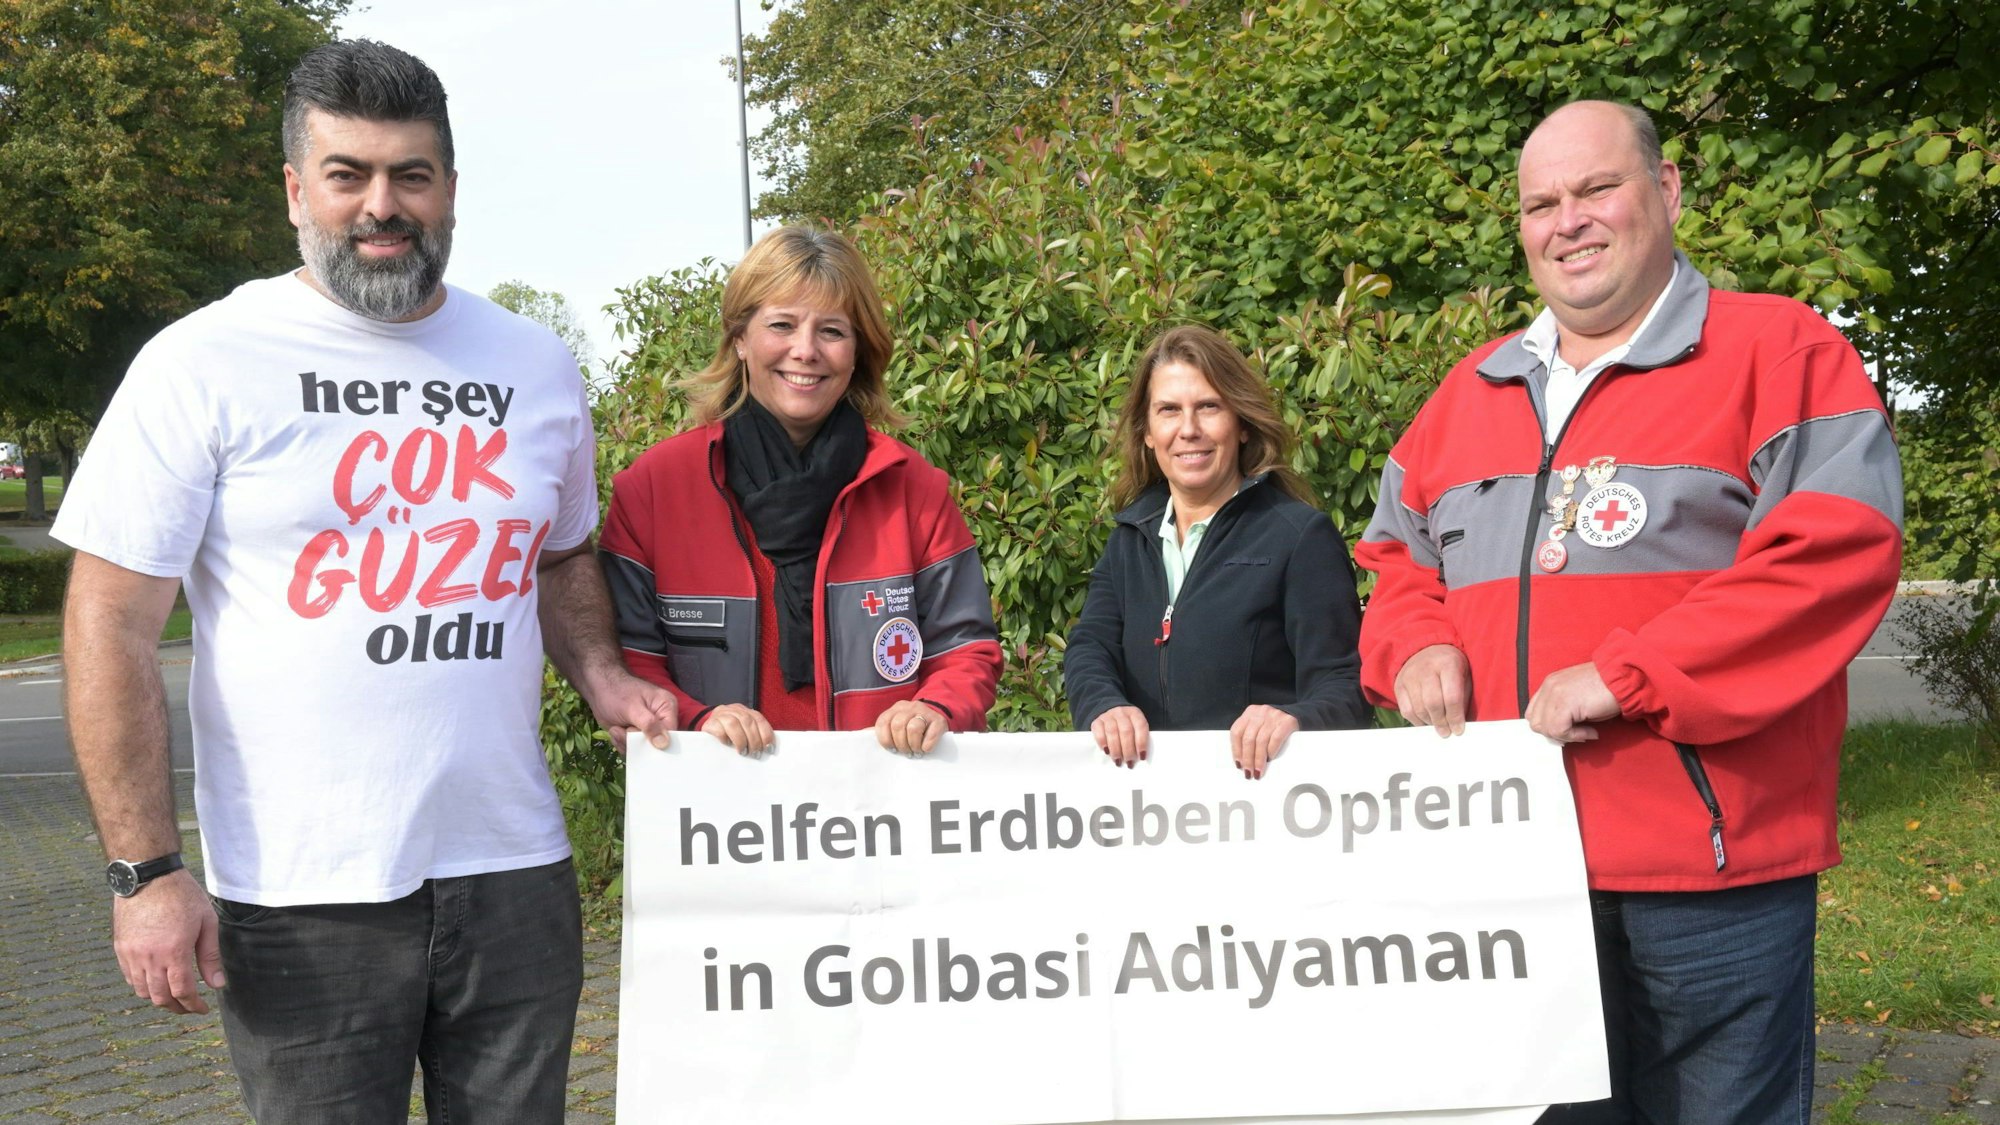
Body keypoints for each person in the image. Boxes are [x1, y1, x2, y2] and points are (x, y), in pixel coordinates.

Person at [56, 40, 676, 1123]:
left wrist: (601, 673)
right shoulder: (202, 362)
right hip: (301, 894)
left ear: (450, 190)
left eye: (410, 175)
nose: (381, 206)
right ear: (296, 190)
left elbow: (563, 555)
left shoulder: (534, 363)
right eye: (348, 174)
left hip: (514, 871)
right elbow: (109, 623)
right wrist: (145, 872)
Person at [1355, 101, 1903, 1122]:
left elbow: (1833, 554)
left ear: (1666, 190)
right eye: (1541, 204)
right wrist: (1414, 641)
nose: (1568, 220)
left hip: (1707, 868)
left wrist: (1627, 673)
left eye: (1596, 188)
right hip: (1514, 863)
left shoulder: (1779, 349)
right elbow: (1396, 557)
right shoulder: (1467, 391)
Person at [598, 226, 1003, 754]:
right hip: (718, 797)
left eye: (832, 331)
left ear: (858, 351)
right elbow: (629, 660)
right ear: (740, 339)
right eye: (782, 325)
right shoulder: (654, 490)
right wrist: (699, 722)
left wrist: (935, 707)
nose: (806, 350)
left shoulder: (913, 489)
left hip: (877, 794)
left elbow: (966, 649)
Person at [1063, 325, 1370, 779]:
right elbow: (1090, 648)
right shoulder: (1129, 538)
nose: (1189, 430)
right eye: (1169, 410)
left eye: (1208, 407)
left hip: (1257, 801)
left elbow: (1346, 688)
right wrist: (1103, 706)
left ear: (1241, 424)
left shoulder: (1299, 538)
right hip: (1144, 805)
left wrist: (1295, 718)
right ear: (1147, 432)